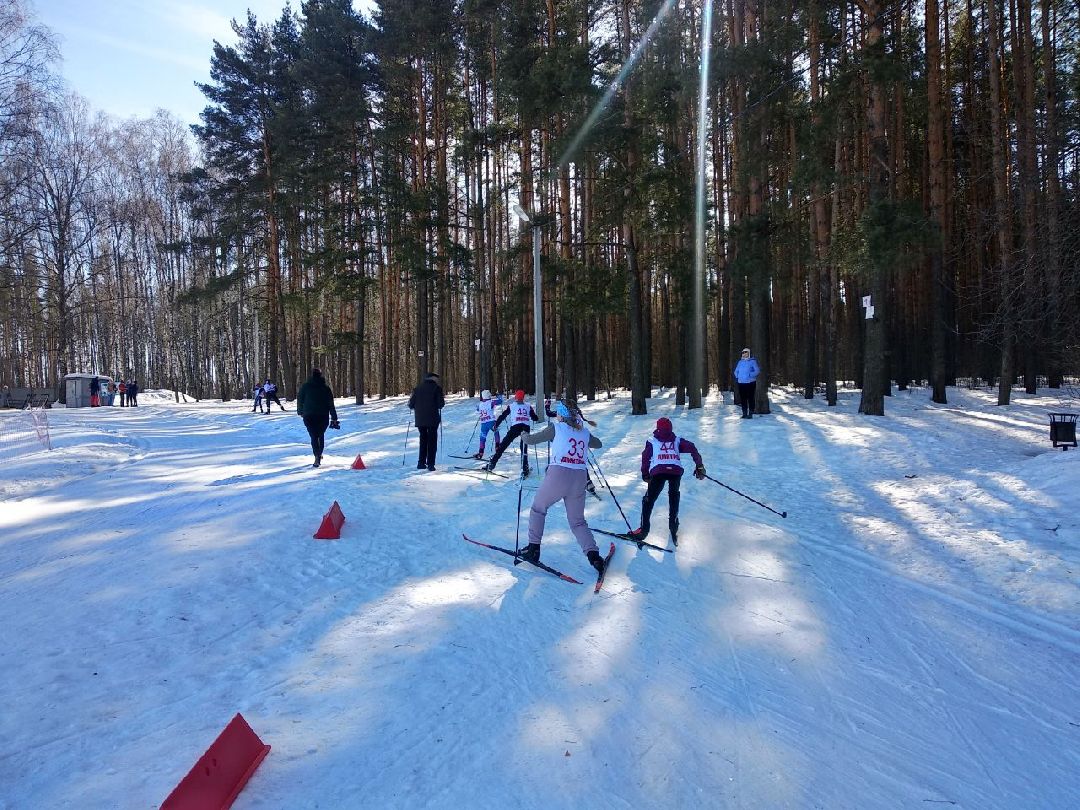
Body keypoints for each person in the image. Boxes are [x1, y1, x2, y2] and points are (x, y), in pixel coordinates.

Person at [521, 400, 606, 575]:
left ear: (561, 415)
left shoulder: (556, 428)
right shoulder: (583, 431)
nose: (556, 415)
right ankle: (594, 556)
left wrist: (523, 434)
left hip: (558, 475)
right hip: (579, 478)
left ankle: (533, 549)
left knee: (538, 509)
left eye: (558, 413)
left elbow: (531, 440)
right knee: (578, 521)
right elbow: (598, 444)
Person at [627, 417, 706, 545]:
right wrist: (699, 466)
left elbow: (645, 458)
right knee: (674, 496)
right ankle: (673, 526)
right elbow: (692, 447)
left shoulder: (652, 441)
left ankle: (643, 530)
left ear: (657, 428)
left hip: (658, 472)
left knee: (649, 500)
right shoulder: (677, 440)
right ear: (671, 428)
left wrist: (645, 474)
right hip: (675, 471)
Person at [484, 389, 539, 475]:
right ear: (523, 397)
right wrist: (534, 417)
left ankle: (492, 464)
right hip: (525, 427)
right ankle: (525, 468)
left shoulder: (512, 405)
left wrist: (496, 424)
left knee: (503, 445)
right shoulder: (528, 406)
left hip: (515, 427)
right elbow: (535, 418)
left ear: (516, 397)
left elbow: (503, 415)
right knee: (523, 448)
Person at [296, 368, 339, 468]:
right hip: (323, 415)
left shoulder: (305, 387)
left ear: (312, 375)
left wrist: (300, 411)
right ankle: (318, 455)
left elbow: (300, 399)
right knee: (320, 434)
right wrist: (334, 417)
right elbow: (331, 404)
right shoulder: (326, 388)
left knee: (314, 436)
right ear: (321, 375)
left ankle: (317, 456)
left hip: (308, 415)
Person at [408, 371, 444, 471]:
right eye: (437, 379)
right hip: (432, 419)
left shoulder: (417, 389)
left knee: (423, 439)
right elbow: (441, 404)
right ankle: (431, 464)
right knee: (432, 441)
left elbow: (410, 405)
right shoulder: (437, 389)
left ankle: (421, 463)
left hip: (420, 419)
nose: (438, 380)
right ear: (433, 379)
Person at [473, 389, 503, 460]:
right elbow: (500, 401)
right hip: (491, 422)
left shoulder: (480, 404)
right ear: (489, 396)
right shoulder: (490, 402)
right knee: (496, 433)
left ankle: (480, 452)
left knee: (482, 438)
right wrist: (499, 396)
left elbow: (477, 409)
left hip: (483, 424)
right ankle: (497, 447)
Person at [733, 347, 760, 419]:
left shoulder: (752, 361)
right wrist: (738, 376)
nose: (744, 354)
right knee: (743, 398)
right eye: (743, 352)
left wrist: (750, 375)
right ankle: (744, 413)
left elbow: (757, 371)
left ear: (749, 353)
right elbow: (736, 371)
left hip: (750, 383)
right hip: (741, 383)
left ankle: (750, 413)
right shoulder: (740, 362)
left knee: (750, 398)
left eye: (746, 352)